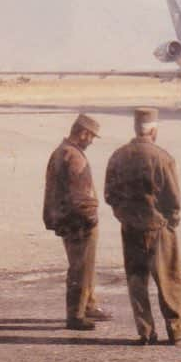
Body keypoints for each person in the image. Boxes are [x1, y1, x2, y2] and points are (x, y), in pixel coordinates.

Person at [105, 108, 181, 346]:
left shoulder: (118, 156)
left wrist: (124, 216)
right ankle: (177, 331)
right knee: (169, 280)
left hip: (131, 228)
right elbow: (174, 199)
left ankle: (145, 331)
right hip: (159, 228)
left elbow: (110, 195)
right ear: (153, 130)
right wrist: (170, 221)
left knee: (136, 281)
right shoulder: (162, 157)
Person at [43, 113, 112, 330]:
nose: (91, 141)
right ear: (83, 133)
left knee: (85, 267)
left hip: (66, 220)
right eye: (91, 136)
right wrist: (90, 219)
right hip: (79, 223)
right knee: (80, 269)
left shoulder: (61, 151)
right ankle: (76, 315)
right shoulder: (73, 156)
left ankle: (89, 304)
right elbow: (80, 196)